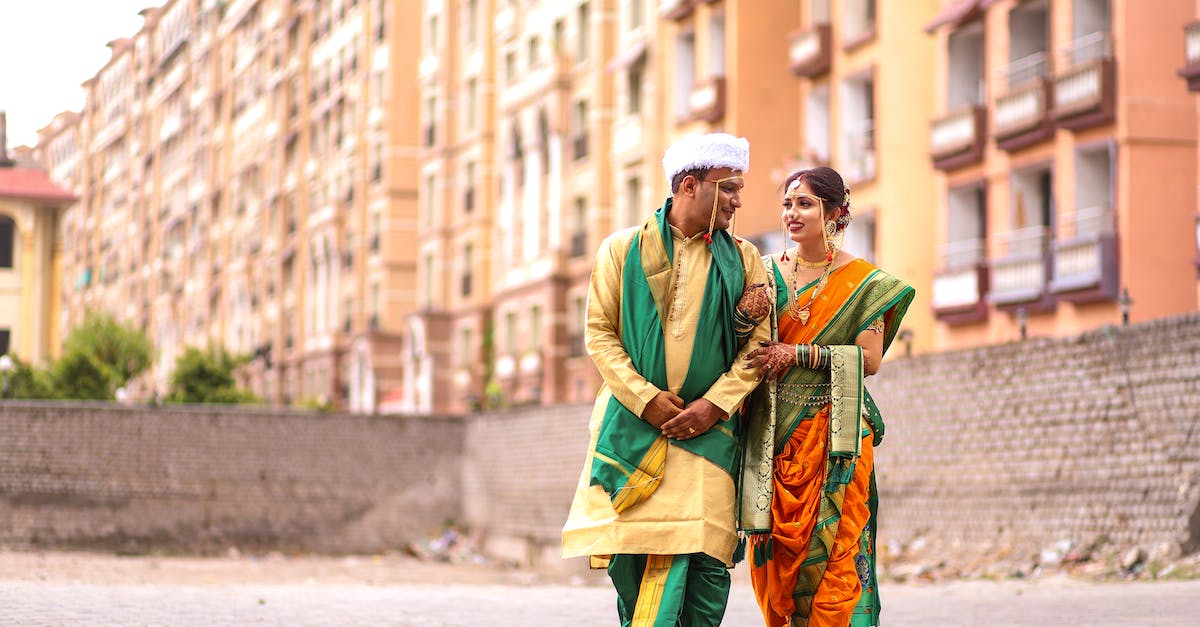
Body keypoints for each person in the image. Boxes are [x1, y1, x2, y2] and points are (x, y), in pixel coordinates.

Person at [562, 132, 773, 626]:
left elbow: (759, 346)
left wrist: (714, 405)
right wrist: (646, 399)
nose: (739, 201)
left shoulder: (744, 258)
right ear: (689, 185)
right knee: (634, 565)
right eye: (729, 188)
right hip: (634, 432)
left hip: (709, 439)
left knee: (703, 568)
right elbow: (599, 335)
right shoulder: (621, 249)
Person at [740, 167, 914, 627]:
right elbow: (744, 345)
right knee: (776, 558)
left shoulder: (865, 283)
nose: (791, 213)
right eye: (787, 204)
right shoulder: (766, 274)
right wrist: (745, 315)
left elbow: (869, 359)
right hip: (775, 433)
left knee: (836, 555)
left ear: (835, 212)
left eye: (805, 204)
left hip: (835, 438)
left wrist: (796, 353)